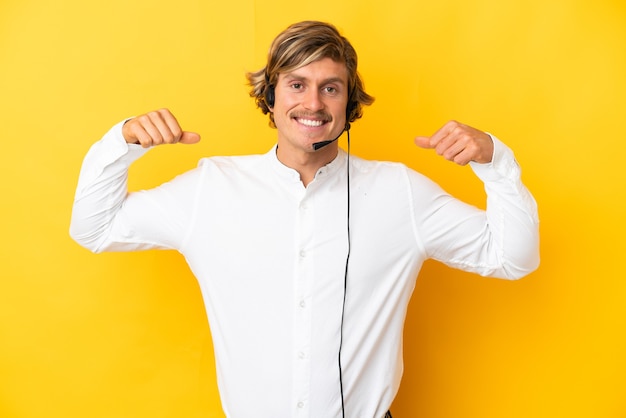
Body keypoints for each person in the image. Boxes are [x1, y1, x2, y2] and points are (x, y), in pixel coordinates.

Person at [70, 20, 539, 418]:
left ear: (350, 104)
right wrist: (123, 144)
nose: (313, 104)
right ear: (270, 98)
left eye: (330, 88)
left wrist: (495, 162)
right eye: (297, 84)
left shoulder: (401, 192)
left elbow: (511, 258)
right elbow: (95, 228)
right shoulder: (210, 188)